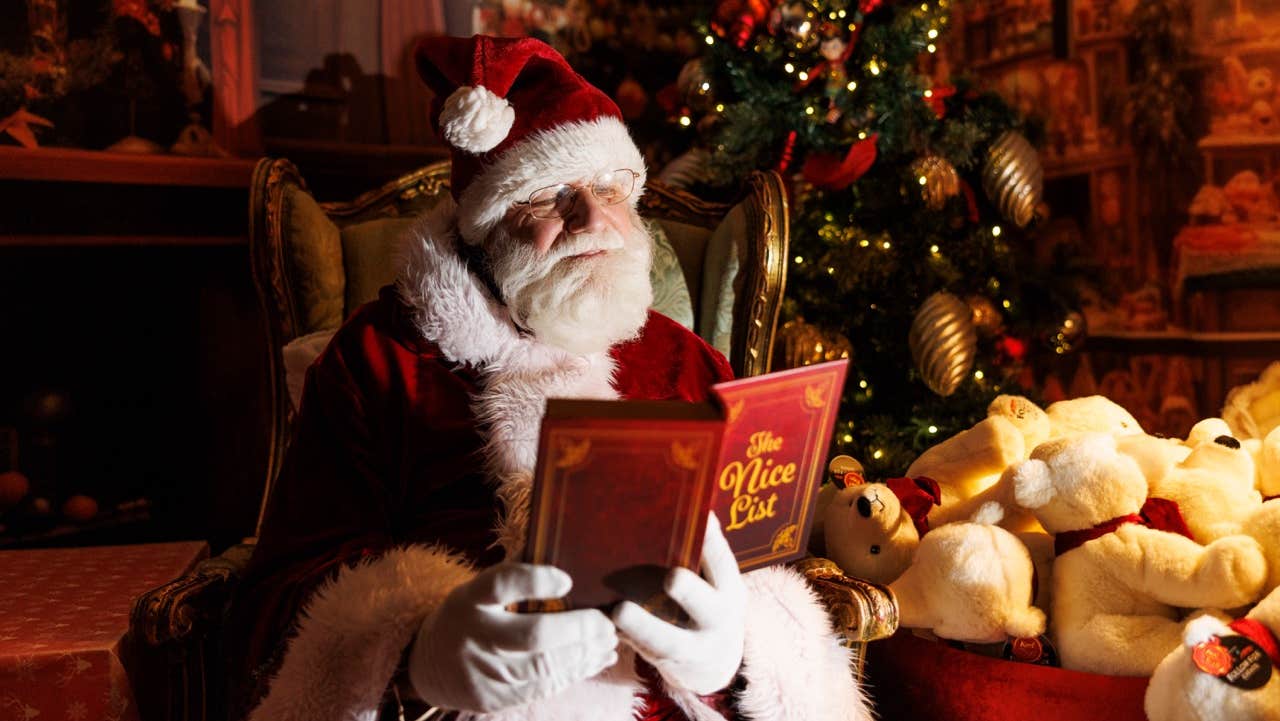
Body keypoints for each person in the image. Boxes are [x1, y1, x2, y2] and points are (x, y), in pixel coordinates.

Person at [231, 35, 869, 721]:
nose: (594, 220)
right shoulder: (379, 360)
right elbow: (276, 600)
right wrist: (419, 650)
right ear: (486, 225)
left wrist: (742, 651)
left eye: (609, 190)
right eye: (547, 198)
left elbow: (772, 557)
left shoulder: (688, 363)